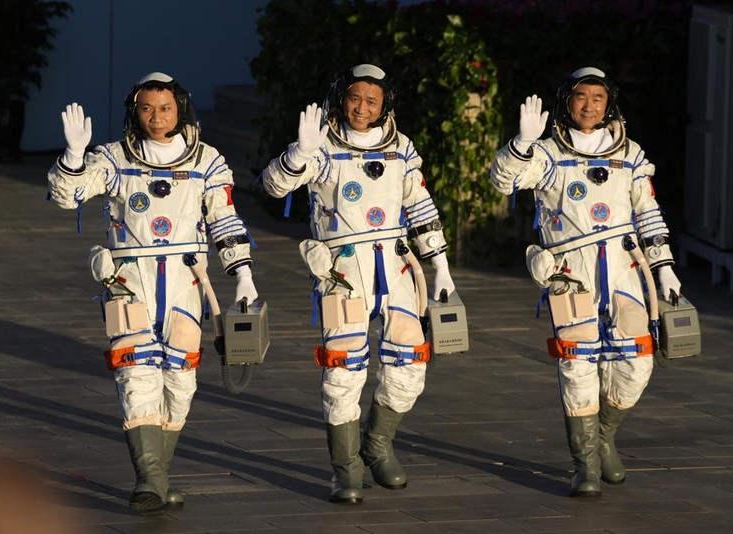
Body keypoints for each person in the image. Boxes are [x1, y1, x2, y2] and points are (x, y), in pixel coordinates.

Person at [47, 72, 258, 514]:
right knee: (136, 374)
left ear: (180, 108)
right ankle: (149, 479)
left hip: (185, 283)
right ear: (134, 110)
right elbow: (69, 196)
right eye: (146, 108)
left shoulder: (208, 161)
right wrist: (72, 155)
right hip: (129, 282)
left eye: (165, 108)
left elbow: (225, 220)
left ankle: (158, 478)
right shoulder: (112, 157)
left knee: (180, 383)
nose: (156, 117)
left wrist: (242, 274)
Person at [262, 64, 455, 505]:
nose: (362, 108)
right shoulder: (320, 145)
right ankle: (346, 469)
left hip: (397, 268)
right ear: (340, 97)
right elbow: (272, 187)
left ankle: (378, 444)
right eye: (355, 98)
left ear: (385, 104)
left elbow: (420, 205)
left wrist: (440, 265)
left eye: (372, 101)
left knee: (409, 367)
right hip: (342, 274)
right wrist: (299, 154)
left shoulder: (400, 147)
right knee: (343, 371)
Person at [490, 67, 683, 497]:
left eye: (598, 97)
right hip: (570, 271)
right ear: (568, 101)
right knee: (577, 366)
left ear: (608, 103)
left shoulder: (629, 153)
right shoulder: (547, 153)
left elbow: (647, 212)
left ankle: (604, 436)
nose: (589, 105)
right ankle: (585, 464)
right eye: (581, 96)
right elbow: (504, 181)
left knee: (636, 365)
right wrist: (521, 144)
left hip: (624, 267)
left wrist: (664, 266)